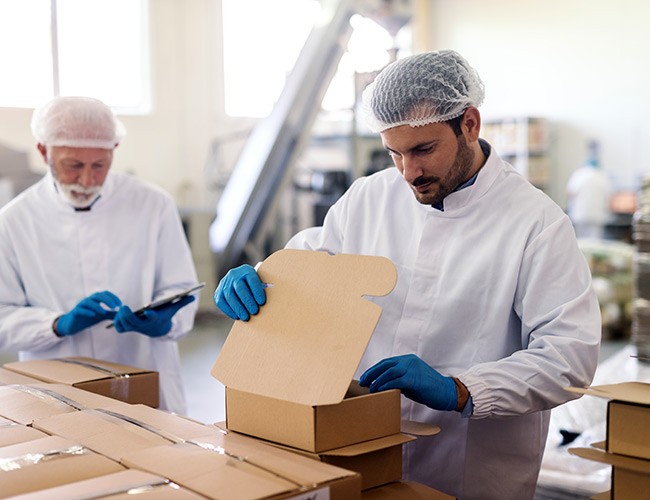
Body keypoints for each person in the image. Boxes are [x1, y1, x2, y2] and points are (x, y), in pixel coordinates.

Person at [214, 50, 601, 500]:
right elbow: (315, 263)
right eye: (394, 152)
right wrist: (262, 276)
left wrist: (459, 389)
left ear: (470, 124)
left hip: (471, 466)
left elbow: (569, 358)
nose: (408, 172)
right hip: (364, 449)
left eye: (423, 149)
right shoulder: (369, 197)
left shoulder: (536, 223)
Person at [0, 96, 199, 414]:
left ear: (113, 152)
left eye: (99, 165)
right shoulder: (14, 221)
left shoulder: (152, 205)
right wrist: (57, 324)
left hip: (144, 377)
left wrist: (165, 321)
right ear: (43, 151)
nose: (87, 180)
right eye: (73, 165)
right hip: (56, 392)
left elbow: (180, 287)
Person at [566, 139, 612, 239]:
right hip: (597, 215)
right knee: (595, 242)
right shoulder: (603, 176)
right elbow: (609, 197)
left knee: (580, 243)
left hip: (580, 214)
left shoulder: (578, 174)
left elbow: (570, 193)